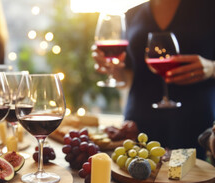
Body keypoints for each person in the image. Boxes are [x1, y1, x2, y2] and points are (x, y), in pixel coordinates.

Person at [92, 0, 215, 159]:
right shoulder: (132, 14)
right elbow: (127, 79)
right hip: (139, 124)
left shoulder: (209, 7)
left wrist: (212, 68)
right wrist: (114, 70)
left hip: (194, 124)